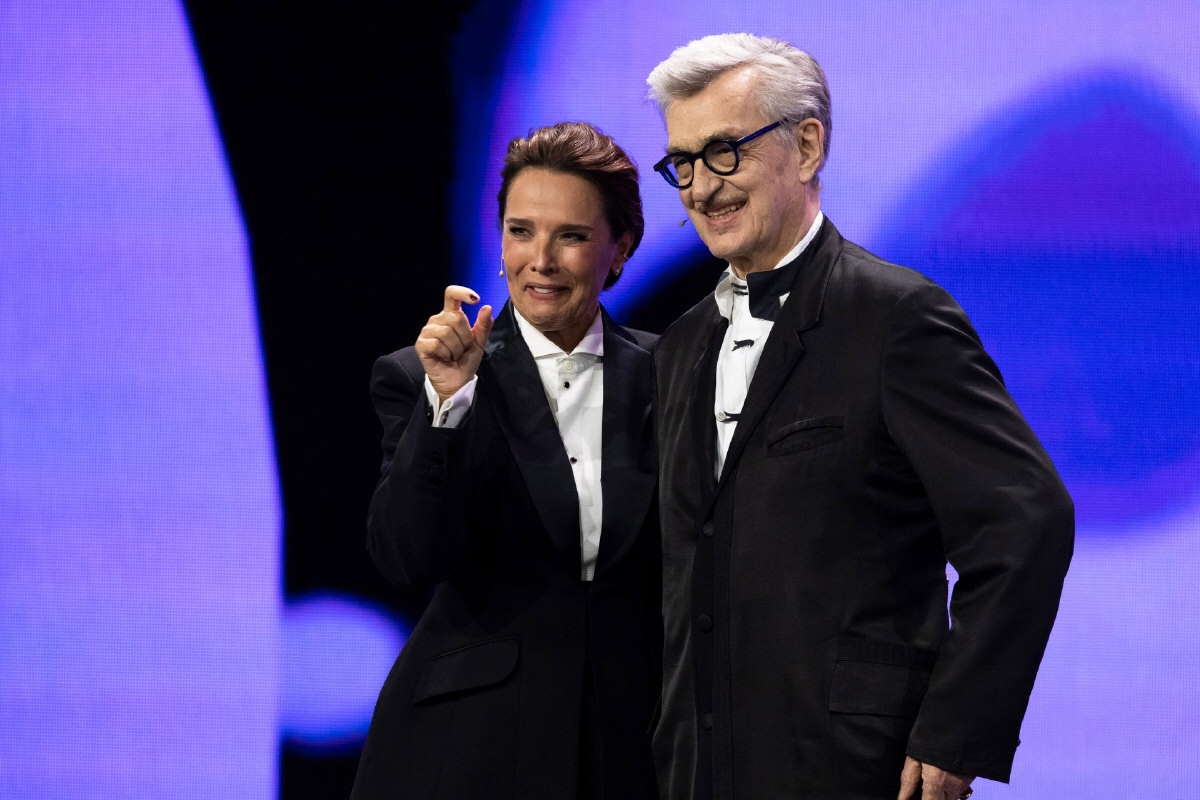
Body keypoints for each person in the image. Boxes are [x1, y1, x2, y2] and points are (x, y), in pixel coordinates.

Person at [644, 34, 1074, 800]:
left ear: (807, 145)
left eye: (723, 152)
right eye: (683, 162)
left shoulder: (894, 316)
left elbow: (1025, 521)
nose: (701, 188)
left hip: (854, 769)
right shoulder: (679, 347)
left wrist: (955, 732)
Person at [350, 122, 660, 800]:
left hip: (632, 745)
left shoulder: (675, 374)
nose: (539, 260)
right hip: (470, 744)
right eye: (521, 231)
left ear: (620, 248)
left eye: (571, 236)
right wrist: (449, 403)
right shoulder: (423, 376)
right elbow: (407, 558)